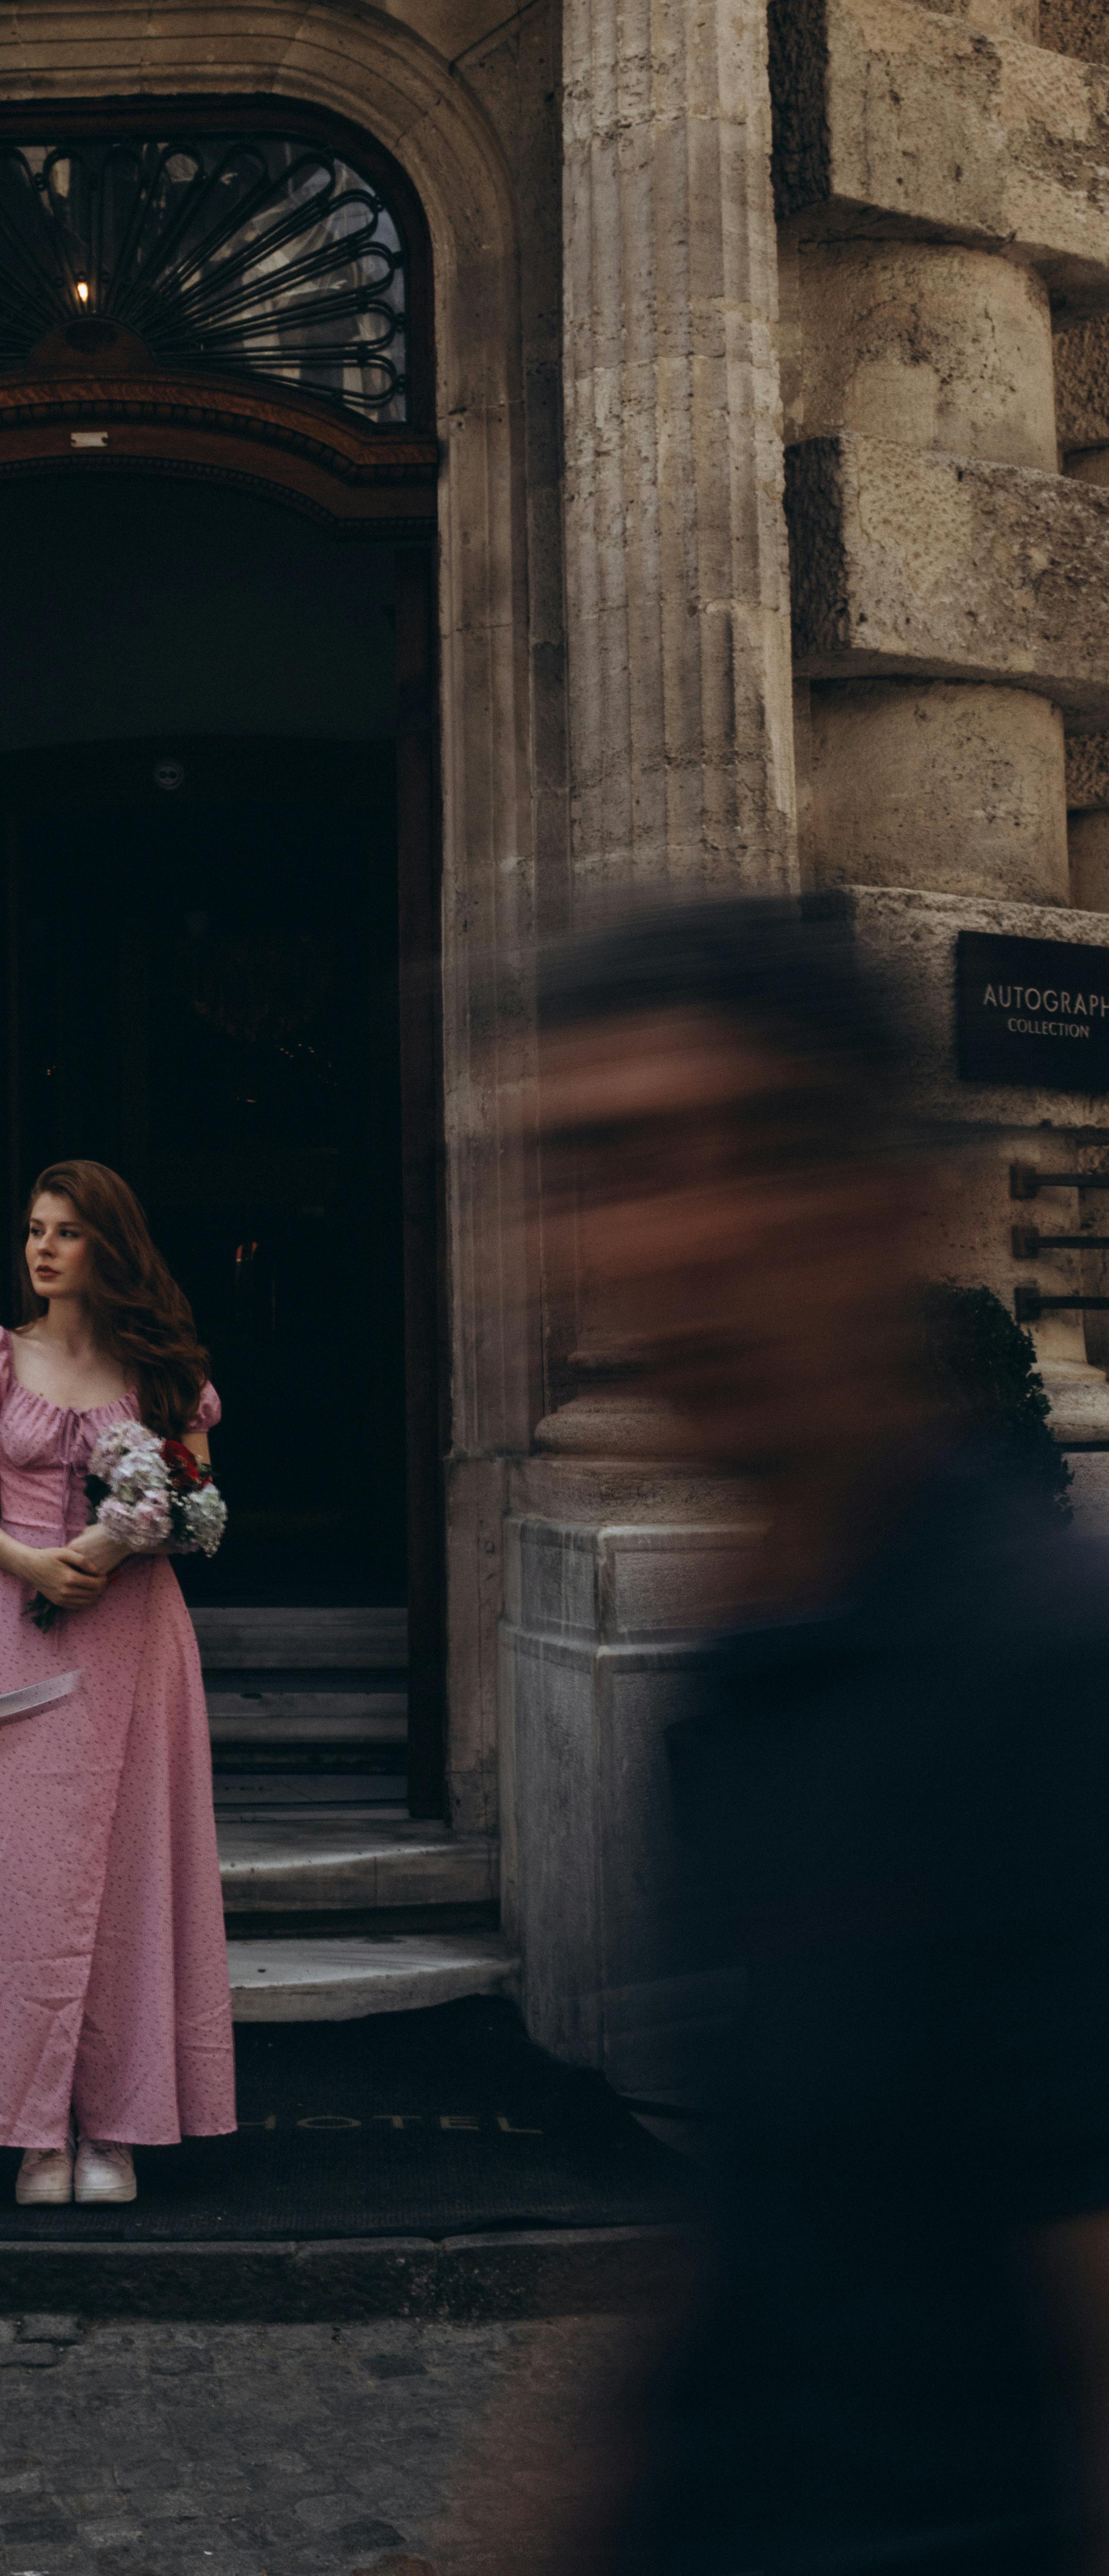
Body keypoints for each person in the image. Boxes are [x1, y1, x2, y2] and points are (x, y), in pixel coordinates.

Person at [528, 897, 1109, 2576]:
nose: (677, 1238)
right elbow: (747, 2263)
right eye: (610, 1167)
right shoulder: (749, 1661)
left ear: (885, 1204)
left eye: (751, 1153)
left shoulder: (1037, 1684)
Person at [0, 1159, 235, 2207]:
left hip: (135, 1640)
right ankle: (31, 2128)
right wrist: (35, 1566)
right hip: (20, 1628)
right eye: (33, 1231)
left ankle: (121, 2125)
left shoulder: (163, 1371)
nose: (41, 1250)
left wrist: (120, 1539)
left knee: (133, 1874)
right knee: (30, 1881)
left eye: (65, 1233)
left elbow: (194, 1500)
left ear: (109, 1246)